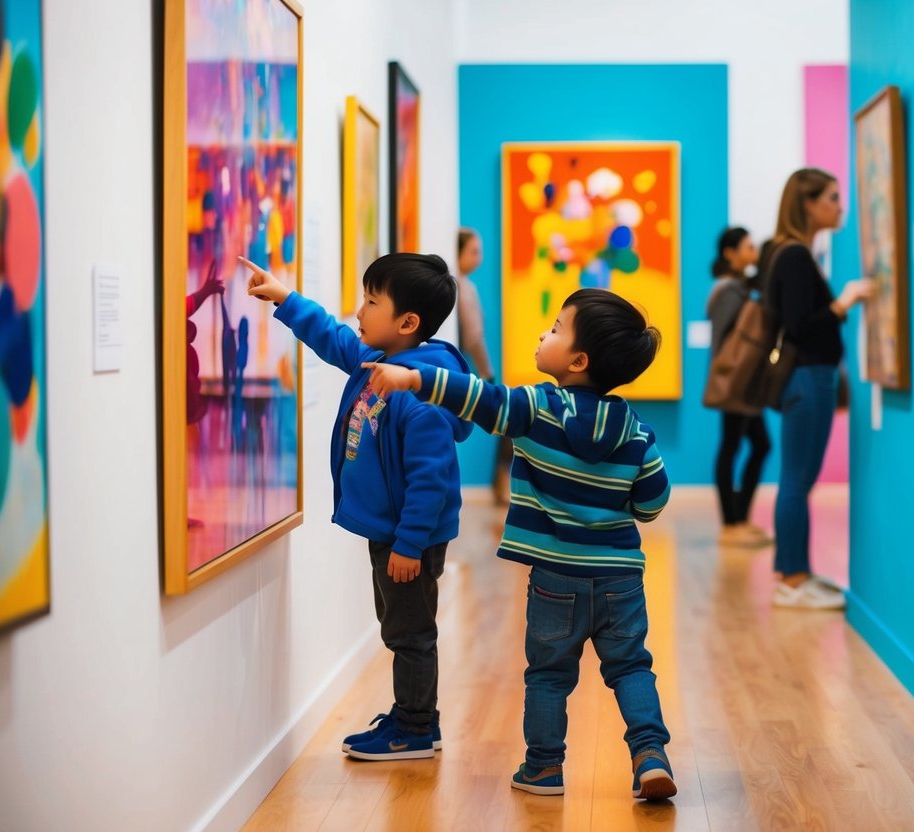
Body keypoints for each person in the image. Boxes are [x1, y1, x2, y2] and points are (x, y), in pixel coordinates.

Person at [361, 289, 678, 802]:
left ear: (577, 360)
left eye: (554, 329)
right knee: (631, 666)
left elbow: (477, 398)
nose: (542, 334)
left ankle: (543, 769)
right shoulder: (636, 431)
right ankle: (650, 755)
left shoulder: (536, 409)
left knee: (549, 675)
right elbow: (652, 504)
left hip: (556, 580)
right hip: (621, 580)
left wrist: (415, 376)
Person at [240, 252, 473, 760]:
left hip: (407, 537)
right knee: (398, 626)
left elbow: (429, 481)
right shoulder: (383, 361)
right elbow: (335, 339)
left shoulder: (419, 392)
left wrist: (410, 544)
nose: (359, 311)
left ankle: (415, 728)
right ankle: (411, 712)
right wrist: (285, 298)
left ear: (407, 323)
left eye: (371, 302)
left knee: (409, 633)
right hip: (390, 530)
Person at [764, 169, 874, 610]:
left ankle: (795, 572)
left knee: (796, 481)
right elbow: (797, 325)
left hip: (810, 379)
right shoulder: (793, 255)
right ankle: (792, 580)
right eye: (831, 197)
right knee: (796, 482)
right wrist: (842, 303)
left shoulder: (791, 252)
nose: (839, 205)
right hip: (808, 379)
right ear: (807, 204)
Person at [705, 227, 772, 547]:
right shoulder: (730, 290)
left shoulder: (736, 287)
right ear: (730, 253)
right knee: (735, 446)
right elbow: (726, 341)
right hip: (736, 380)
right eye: (747, 247)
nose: (753, 252)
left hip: (740, 380)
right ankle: (732, 523)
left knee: (754, 444)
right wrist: (729, 377)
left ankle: (739, 519)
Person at [455, 228, 513, 505]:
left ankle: (500, 484)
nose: (479, 259)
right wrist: (487, 372)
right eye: (474, 252)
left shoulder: (462, 285)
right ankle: (501, 485)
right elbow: (475, 336)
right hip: (470, 370)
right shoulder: (463, 287)